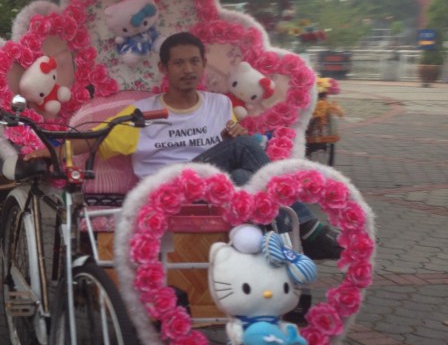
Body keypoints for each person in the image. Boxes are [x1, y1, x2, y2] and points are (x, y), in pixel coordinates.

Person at [27, 32, 342, 261]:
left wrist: (239, 140)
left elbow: (236, 145)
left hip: (216, 191)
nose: (188, 69)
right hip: (168, 191)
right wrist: (51, 151)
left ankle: (282, 263)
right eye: (179, 63)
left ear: (204, 64)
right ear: (164, 69)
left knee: (248, 176)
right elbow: (91, 140)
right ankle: (307, 228)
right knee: (245, 152)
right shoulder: (142, 113)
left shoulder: (220, 104)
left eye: (194, 61)